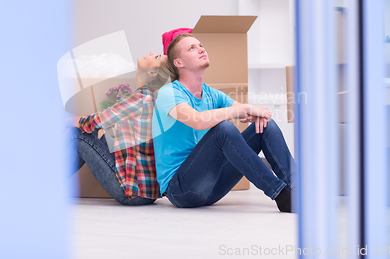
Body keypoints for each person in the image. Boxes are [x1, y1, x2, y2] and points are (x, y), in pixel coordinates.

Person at [152, 33, 296, 212]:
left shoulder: (211, 94)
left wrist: (253, 113)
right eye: (192, 48)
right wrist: (241, 109)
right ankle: (282, 195)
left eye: (201, 45)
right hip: (181, 189)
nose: (201, 49)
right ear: (179, 63)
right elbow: (197, 120)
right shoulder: (169, 93)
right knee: (223, 129)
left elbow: (243, 111)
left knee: (265, 126)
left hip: (213, 185)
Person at [67, 51, 170, 205]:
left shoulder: (141, 97)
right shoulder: (149, 97)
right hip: (145, 192)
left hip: (133, 193)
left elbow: (98, 120)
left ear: (152, 72)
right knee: (90, 131)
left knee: (78, 134)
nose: (151, 53)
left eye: (155, 57)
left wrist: (68, 120)